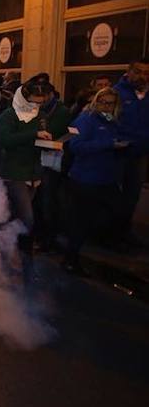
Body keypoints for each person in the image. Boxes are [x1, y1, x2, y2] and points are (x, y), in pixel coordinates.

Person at [64, 88, 130, 274]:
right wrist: (109, 145)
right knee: (81, 221)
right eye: (104, 102)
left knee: (118, 212)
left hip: (106, 178)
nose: (107, 107)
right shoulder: (85, 120)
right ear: (96, 101)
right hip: (85, 178)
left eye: (111, 103)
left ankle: (96, 244)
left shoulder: (113, 122)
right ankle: (70, 259)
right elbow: (76, 146)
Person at [0, 80, 53, 259]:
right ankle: (23, 250)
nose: (36, 105)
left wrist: (50, 143)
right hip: (14, 171)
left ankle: (6, 242)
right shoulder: (8, 115)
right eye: (32, 101)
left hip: (34, 170)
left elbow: (43, 135)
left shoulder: (42, 115)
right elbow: (6, 140)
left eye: (40, 102)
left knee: (17, 212)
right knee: (27, 216)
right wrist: (33, 134)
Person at [32, 82, 72, 252]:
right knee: (38, 200)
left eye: (41, 98)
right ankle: (40, 234)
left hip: (52, 160)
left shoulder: (61, 111)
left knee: (48, 200)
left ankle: (49, 238)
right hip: (37, 158)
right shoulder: (36, 110)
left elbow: (56, 133)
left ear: (49, 95)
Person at [114, 57, 149, 249]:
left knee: (133, 195)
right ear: (130, 72)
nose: (143, 77)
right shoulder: (117, 93)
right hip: (120, 153)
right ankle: (111, 234)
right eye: (139, 72)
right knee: (116, 195)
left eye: (146, 73)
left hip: (141, 153)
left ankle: (125, 231)